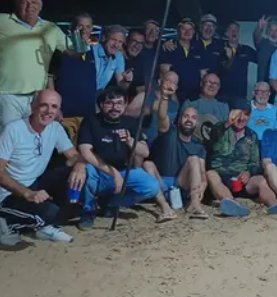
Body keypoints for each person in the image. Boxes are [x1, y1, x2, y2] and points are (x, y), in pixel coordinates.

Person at [0, 90, 86, 245]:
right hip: (7, 194)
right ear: (33, 107)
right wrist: (26, 193)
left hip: (34, 183)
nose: (49, 111)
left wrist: (80, 166)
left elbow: (73, 155)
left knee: (76, 176)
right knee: (50, 211)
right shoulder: (14, 129)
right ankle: (6, 222)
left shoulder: (55, 128)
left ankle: (43, 225)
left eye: (54, 106)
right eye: (43, 105)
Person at [0, 0, 68, 134]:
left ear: (41, 5)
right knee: (8, 138)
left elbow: (73, 51)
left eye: (34, 2)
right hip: (9, 96)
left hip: (38, 98)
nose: (30, 6)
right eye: (25, 2)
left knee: (34, 138)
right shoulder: (0, 20)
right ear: (16, 3)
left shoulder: (51, 28)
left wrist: (83, 43)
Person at [77, 87, 160, 230]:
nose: (115, 107)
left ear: (125, 104)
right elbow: (85, 151)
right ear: (101, 104)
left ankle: (111, 204)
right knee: (87, 170)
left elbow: (145, 152)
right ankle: (88, 211)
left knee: (152, 187)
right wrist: (113, 173)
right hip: (98, 170)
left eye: (119, 103)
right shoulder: (91, 120)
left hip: (124, 171)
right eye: (110, 103)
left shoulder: (130, 122)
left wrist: (130, 141)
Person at [142, 77, 209, 220]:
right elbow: (162, 117)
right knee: (147, 164)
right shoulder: (169, 132)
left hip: (181, 183)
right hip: (160, 182)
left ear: (196, 123)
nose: (189, 120)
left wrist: (203, 185)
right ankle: (165, 208)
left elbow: (202, 174)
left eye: (193, 118)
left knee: (194, 159)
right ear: (178, 120)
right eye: (186, 116)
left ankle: (194, 205)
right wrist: (165, 97)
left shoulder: (199, 146)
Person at [206, 100, 277, 217]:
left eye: (246, 114)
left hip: (241, 180)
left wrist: (248, 173)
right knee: (210, 174)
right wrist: (228, 123)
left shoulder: (251, 135)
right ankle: (232, 205)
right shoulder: (220, 128)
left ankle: (275, 205)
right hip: (220, 177)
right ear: (231, 113)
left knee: (261, 180)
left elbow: (255, 163)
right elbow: (214, 135)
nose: (242, 118)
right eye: (239, 114)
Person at [159, 18, 204, 103]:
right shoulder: (169, 48)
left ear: (194, 32)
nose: (187, 32)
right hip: (174, 94)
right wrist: (173, 95)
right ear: (178, 30)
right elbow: (164, 72)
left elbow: (203, 74)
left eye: (190, 29)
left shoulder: (198, 49)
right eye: (184, 29)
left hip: (195, 96)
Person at [217, 21, 257, 103]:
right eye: (231, 29)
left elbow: (262, 59)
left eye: (236, 30)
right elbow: (224, 68)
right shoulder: (219, 49)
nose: (234, 32)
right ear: (226, 33)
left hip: (240, 95)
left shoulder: (246, 50)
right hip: (222, 95)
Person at [140, 70, 181, 147]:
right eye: (167, 80)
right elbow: (130, 114)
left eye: (173, 82)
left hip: (160, 145)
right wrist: (147, 110)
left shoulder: (174, 106)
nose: (169, 84)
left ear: (176, 88)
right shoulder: (145, 96)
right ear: (160, 81)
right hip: (142, 140)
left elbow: (165, 124)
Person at [93, 24, 130, 91]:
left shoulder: (118, 56)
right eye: (113, 40)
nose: (116, 45)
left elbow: (121, 85)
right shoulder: (91, 51)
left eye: (120, 42)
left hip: (98, 95)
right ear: (105, 38)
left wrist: (127, 80)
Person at [253, 15, 277, 85]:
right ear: (267, 32)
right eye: (271, 30)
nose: (274, 33)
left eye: (276, 30)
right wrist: (260, 28)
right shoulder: (262, 43)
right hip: (263, 85)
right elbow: (256, 36)